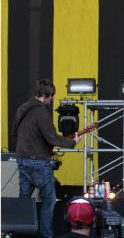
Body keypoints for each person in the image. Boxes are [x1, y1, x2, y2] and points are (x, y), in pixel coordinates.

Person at [11, 79, 80, 238]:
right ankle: (46, 235)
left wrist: (35, 147)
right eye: (52, 96)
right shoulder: (41, 111)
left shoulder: (22, 108)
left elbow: (15, 133)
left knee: (24, 200)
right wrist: (72, 142)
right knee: (49, 199)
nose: (53, 99)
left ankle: (21, 233)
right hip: (38, 163)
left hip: (22, 159)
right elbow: (52, 138)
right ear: (46, 95)